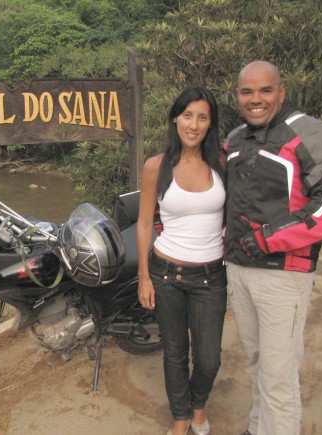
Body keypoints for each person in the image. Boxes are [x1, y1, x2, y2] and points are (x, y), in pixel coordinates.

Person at [223, 61, 322, 435]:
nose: (256, 99)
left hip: (284, 274)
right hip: (239, 269)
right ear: (237, 96)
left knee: (278, 375)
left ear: (281, 92)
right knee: (255, 362)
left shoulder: (310, 133)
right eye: (247, 91)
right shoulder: (235, 139)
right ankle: (256, 427)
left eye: (265, 90)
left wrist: (268, 238)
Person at [137, 85, 227, 435]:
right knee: (174, 352)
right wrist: (144, 277)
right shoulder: (156, 167)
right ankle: (180, 417)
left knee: (208, 358)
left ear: (210, 123)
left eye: (202, 117)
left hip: (210, 277)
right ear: (175, 118)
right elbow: (145, 224)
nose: (194, 124)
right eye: (187, 115)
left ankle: (198, 405)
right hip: (166, 274)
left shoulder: (221, 164)